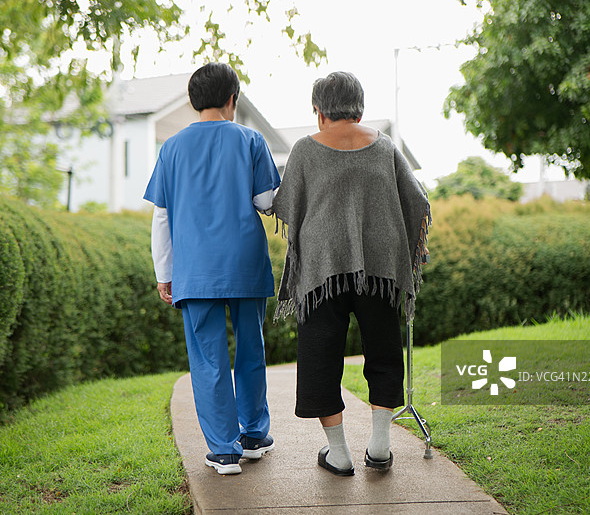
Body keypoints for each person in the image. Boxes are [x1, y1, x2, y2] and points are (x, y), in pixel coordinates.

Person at [272, 71, 430, 476]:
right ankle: (379, 448)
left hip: (323, 271)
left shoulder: (305, 150)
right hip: (380, 267)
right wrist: (412, 249)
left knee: (320, 355)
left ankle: (339, 454)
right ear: (358, 107)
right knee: (384, 350)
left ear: (319, 110)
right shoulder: (384, 146)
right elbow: (417, 200)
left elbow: (286, 205)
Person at [143, 62, 281, 475]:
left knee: (208, 358)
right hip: (243, 261)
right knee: (251, 348)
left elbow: (162, 217)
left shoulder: (171, 148)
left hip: (195, 269)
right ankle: (254, 435)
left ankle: (223, 450)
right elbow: (266, 202)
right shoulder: (251, 140)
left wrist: (163, 272)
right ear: (232, 99)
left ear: (193, 101)